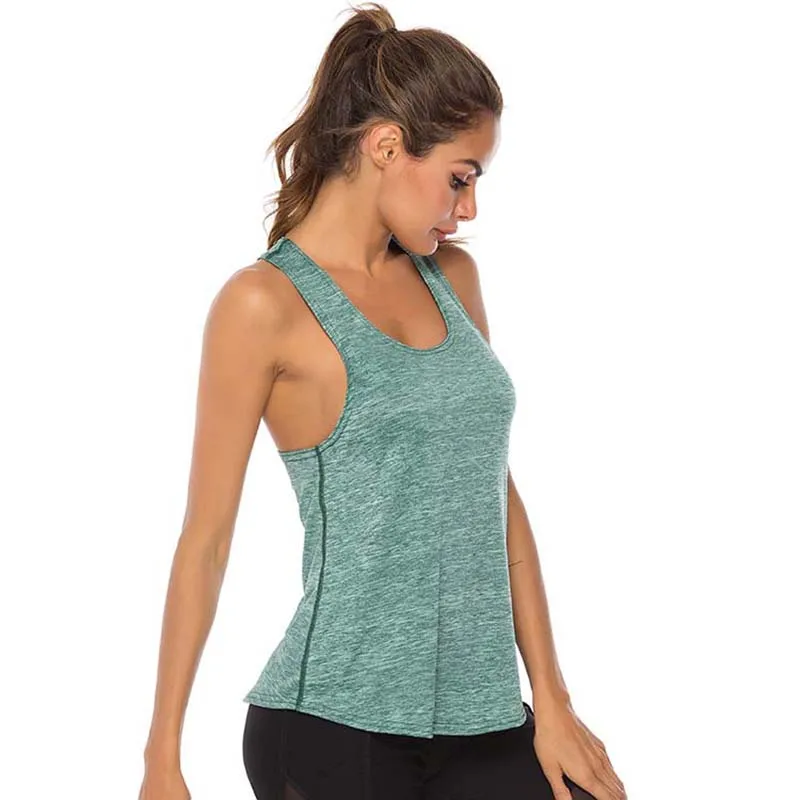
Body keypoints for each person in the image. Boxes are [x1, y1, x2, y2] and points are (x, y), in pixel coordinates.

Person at [139, 3, 627, 799]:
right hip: (332, 723)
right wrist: (162, 761)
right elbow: (206, 542)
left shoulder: (454, 280)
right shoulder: (262, 305)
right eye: (460, 178)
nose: (468, 208)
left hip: (483, 718)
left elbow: (494, 495)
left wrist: (553, 701)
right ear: (387, 146)